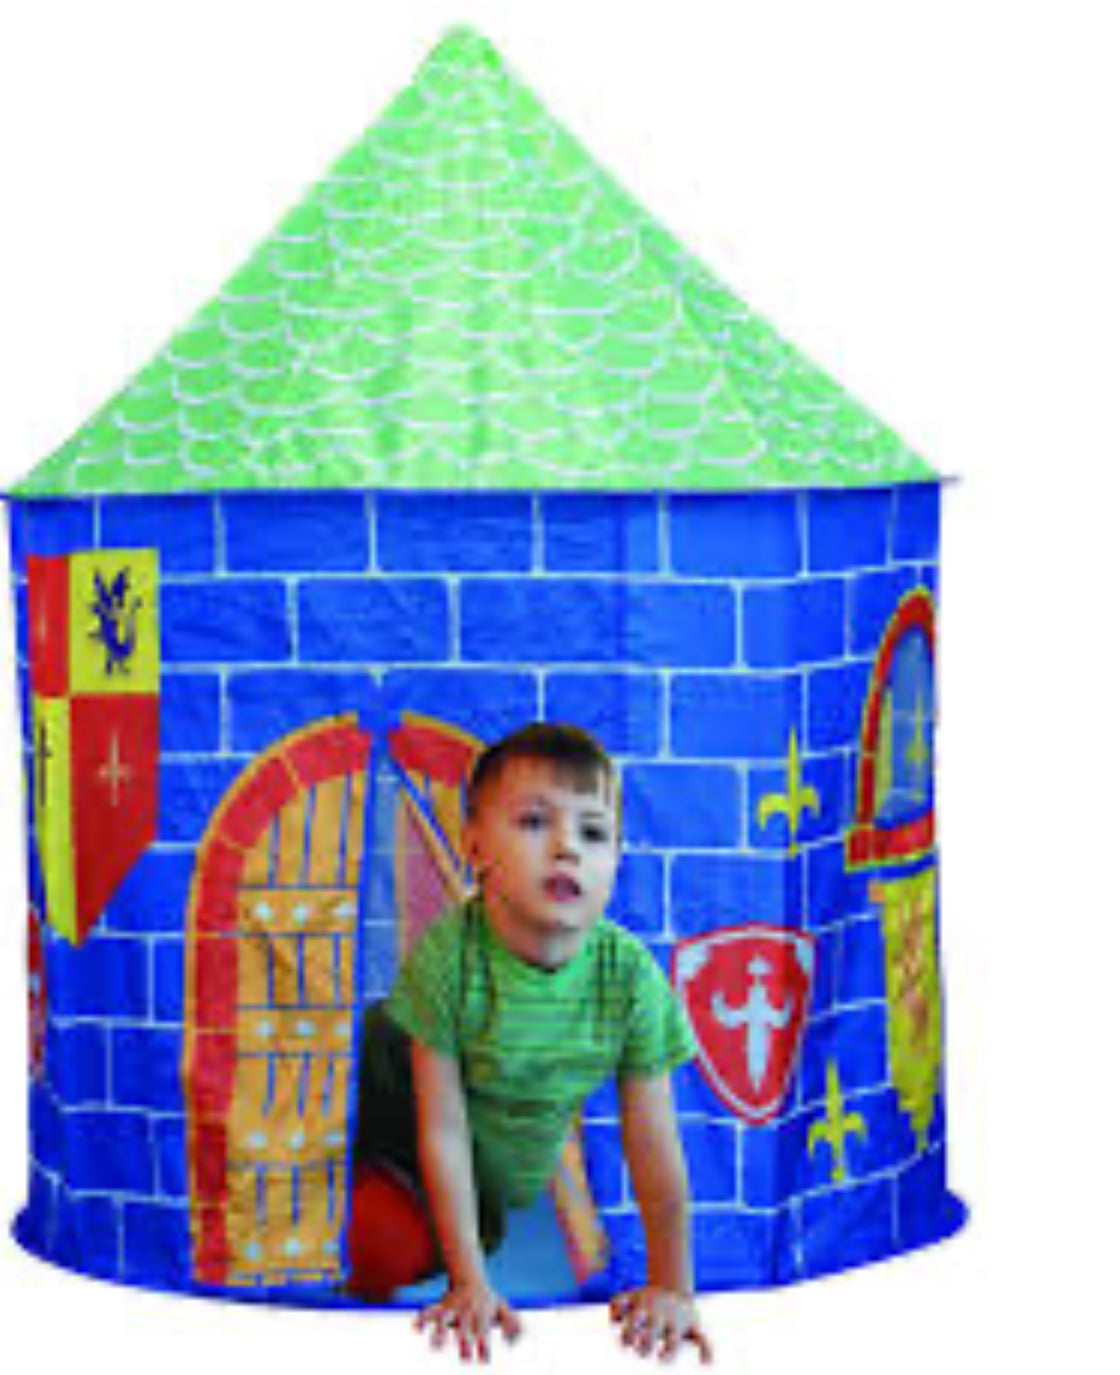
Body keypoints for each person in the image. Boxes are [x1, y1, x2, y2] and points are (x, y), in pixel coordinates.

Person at [350, 722, 714, 1364]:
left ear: (616, 859)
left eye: (592, 833)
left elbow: (653, 1141)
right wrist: (468, 1283)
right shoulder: (448, 957)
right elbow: (441, 1127)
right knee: (373, 1229)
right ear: (475, 848)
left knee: (436, 1233)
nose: (567, 848)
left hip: (492, 1170)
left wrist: (672, 1286)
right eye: (534, 822)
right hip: (396, 1089)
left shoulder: (629, 978)